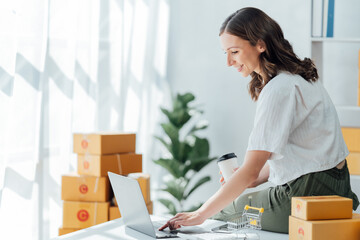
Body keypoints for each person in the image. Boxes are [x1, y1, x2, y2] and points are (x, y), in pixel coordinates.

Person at [159, 7, 359, 233]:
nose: (229, 61)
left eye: (234, 51)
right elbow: (306, 159)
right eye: (225, 52)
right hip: (337, 186)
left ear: (260, 45)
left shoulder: (278, 89)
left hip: (308, 194)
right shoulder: (300, 78)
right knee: (234, 203)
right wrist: (251, 180)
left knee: (223, 213)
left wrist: (200, 214)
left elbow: (251, 170)